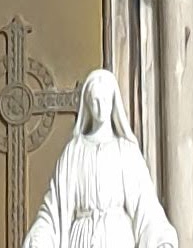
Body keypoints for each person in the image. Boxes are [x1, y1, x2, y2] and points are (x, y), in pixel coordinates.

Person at [20, 71, 174, 248]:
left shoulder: (126, 151)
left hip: (117, 238)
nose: (101, 107)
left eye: (106, 100)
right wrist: (40, 237)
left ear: (113, 102)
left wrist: (161, 238)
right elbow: (54, 208)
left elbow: (145, 204)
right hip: (82, 239)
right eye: (95, 101)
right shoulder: (74, 152)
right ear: (87, 102)